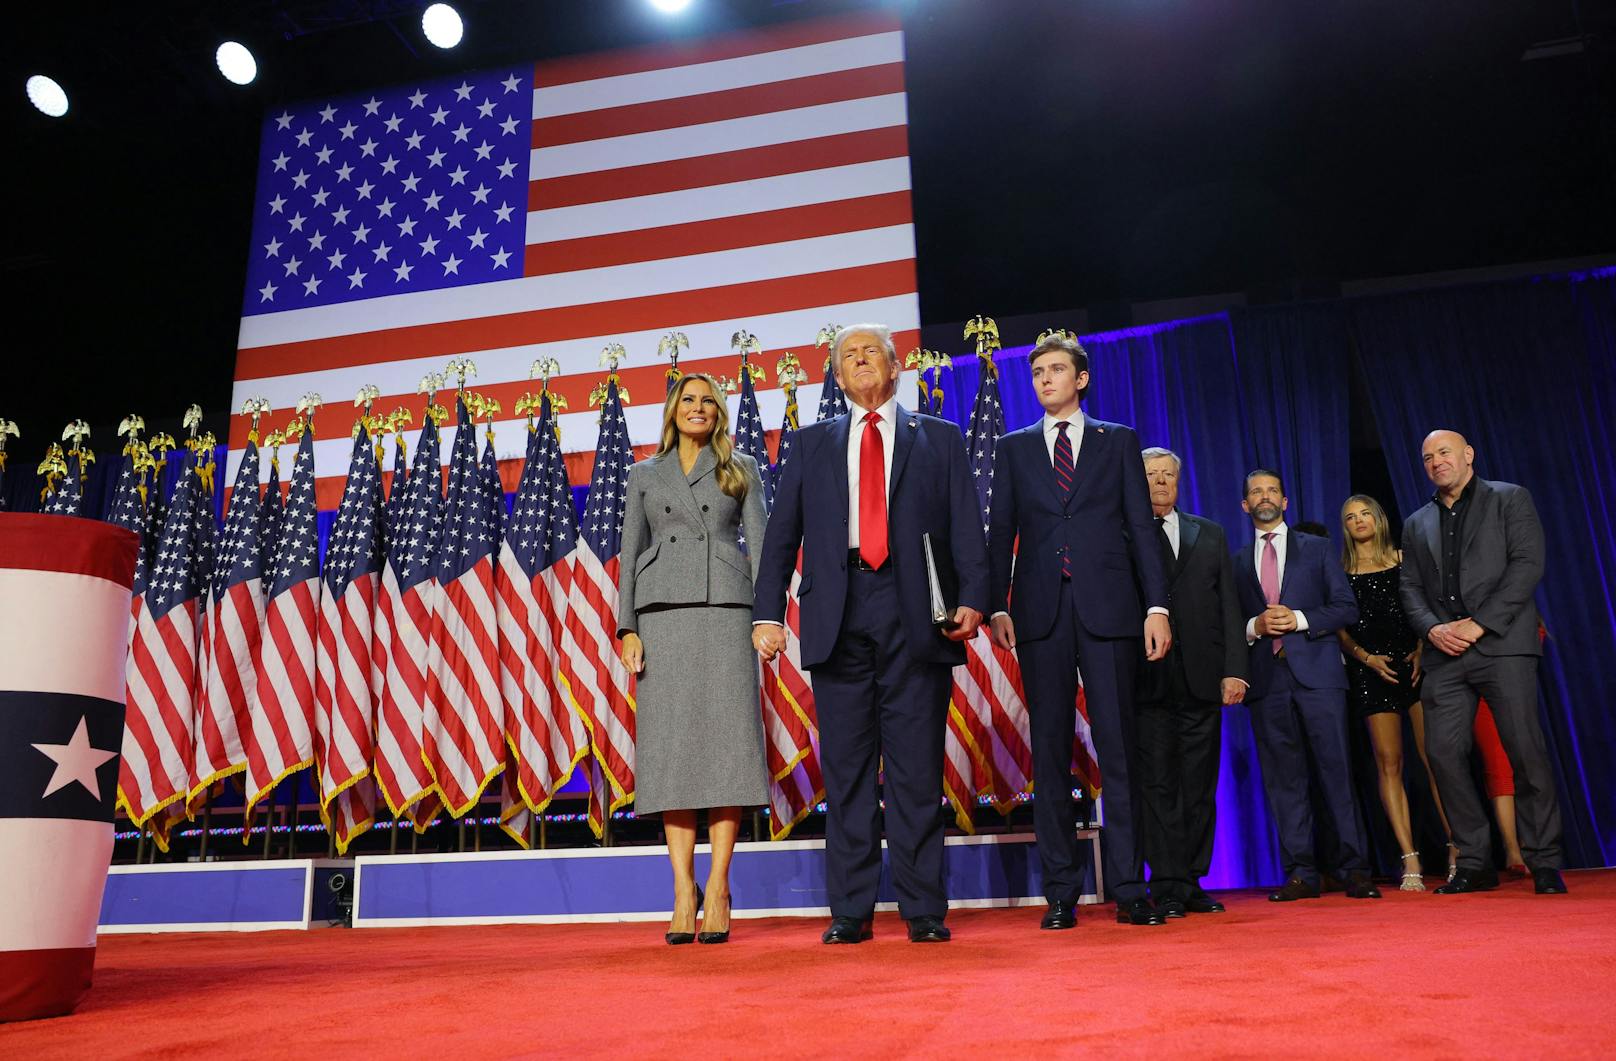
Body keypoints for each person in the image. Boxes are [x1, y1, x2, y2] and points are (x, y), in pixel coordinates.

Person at [753, 323, 987, 945]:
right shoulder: (808, 446)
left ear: (894, 366)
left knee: (916, 770)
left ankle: (923, 910)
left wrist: (975, 601)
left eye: (870, 353)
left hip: (918, 613)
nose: (859, 362)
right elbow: (781, 538)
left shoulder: (938, 437)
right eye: (846, 356)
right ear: (836, 375)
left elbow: (967, 525)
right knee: (849, 769)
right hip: (838, 610)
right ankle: (850, 911)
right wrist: (767, 614)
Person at [986, 333, 1172, 929]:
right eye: (1037, 371)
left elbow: (1141, 529)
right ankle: (1061, 892)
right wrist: (996, 604)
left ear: (1081, 378)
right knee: (1049, 753)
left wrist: (1157, 608)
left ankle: (1127, 886)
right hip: (1039, 614)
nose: (1044, 379)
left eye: (1056, 369)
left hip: (1111, 610)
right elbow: (1000, 535)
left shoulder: (1116, 441)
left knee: (1118, 749)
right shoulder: (1014, 449)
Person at [617, 373, 771, 945]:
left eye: (709, 401)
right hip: (662, 618)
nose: (699, 408)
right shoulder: (643, 474)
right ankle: (683, 888)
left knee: (727, 748)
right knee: (673, 753)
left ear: (719, 412)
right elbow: (629, 552)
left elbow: (764, 543)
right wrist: (626, 628)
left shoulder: (743, 467)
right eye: (689, 400)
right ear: (673, 409)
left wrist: (766, 617)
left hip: (726, 613)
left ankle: (720, 884)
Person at [1399, 430, 1565, 895]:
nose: (1436, 462)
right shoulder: (1416, 523)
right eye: (1427, 457)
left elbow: (1527, 565)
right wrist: (1432, 629)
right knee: (1444, 755)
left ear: (1469, 455)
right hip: (1444, 653)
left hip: (1501, 644)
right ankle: (1474, 861)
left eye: (1444, 453)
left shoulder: (1509, 499)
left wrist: (1480, 624)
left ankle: (1545, 860)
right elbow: (1408, 586)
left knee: (1524, 750)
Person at [1234, 470, 1379, 901]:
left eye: (1272, 490)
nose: (1264, 497)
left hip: (1319, 678)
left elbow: (1345, 608)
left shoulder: (1316, 549)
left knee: (1337, 773)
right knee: (1284, 781)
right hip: (1267, 682)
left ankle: (1355, 869)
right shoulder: (1236, 560)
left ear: (1285, 501)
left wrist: (1298, 619)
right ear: (1245, 505)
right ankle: (1301, 872)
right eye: (1256, 492)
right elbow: (1227, 623)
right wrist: (1253, 626)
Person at [1133, 448, 1247, 918]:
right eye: (1151, 475)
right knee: (1157, 784)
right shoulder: (1126, 534)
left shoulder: (1210, 533)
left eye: (1167, 475)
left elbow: (1229, 608)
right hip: (1147, 681)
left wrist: (1235, 669)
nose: (1160, 482)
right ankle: (1166, 882)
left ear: (1179, 481)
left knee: (1199, 785)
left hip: (1203, 679)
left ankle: (1194, 878)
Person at [1336, 494, 1454, 891]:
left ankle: (1458, 848)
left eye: (1366, 512)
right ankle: (1410, 858)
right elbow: (1338, 627)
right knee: (1389, 764)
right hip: (1371, 672)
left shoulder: (1405, 560)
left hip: (1417, 667)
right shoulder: (1340, 571)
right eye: (1350, 517)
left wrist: (1423, 649)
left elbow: (1430, 607)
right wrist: (1366, 659)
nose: (1359, 521)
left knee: (1435, 759)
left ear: (1379, 518)